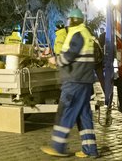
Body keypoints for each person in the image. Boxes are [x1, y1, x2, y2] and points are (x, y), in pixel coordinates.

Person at [41, 8, 99, 158]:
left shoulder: (77, 34)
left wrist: (55, 60)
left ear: (72, 20)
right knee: (83, 115)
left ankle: (58, 147)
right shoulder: (85, 33)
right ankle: (90, 149)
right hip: (84, 81)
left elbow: (69, 56)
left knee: (65, 112)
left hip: (74, 81)